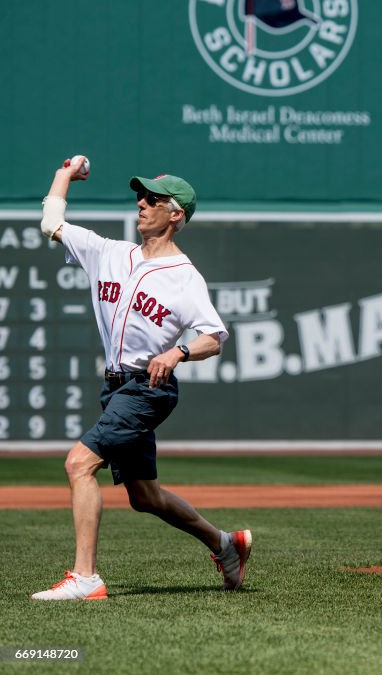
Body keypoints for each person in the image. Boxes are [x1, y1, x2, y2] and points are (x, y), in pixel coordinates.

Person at [31, 156, 251, 600]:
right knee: (143, 496)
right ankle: (226, 545)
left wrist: (178, 351)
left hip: (147, 389)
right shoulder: (109, 253)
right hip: (116, 387)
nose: (141, 204)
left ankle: (86, 578)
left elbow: (214, 337)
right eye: (140, 197)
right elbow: (51, 221)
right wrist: (64, 175)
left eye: (153, 199)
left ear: (176, 215)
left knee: (79, 464)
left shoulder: (184, 277)